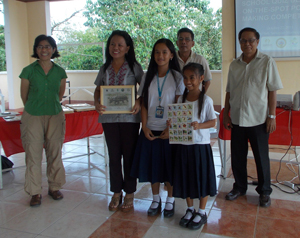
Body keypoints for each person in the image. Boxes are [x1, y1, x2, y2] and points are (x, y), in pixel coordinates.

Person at [223, 27, 283, 207]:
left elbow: (272, 90)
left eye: (250, 40)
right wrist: (226, 114)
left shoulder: (267, 61)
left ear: (257, 41)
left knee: (261, 157)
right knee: (238, 156)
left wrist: (271, 116)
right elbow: (228, 91)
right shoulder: (234, 64)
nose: (247, 44)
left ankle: (264, 191)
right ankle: (239, 187)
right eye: (243, 40)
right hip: (238, 119)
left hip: (258, 119)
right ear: (239, 42)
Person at [131, 38, 185, 217]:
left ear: (171, 55)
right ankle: (155, 199)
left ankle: (170, 200)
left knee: (169, 167)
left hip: (169, 131)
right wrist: (144, 126)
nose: (160, 56)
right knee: (152, 167)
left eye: (164, 52)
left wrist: (171, 129)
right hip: (150, 129)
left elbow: (179, 105)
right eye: (157, 52)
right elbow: (144, 103)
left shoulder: (177, 77)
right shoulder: (148, 76)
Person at [94, 30, 144, 212]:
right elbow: (98, 89)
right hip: (108, 118)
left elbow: (144, 88)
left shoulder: (134, 67)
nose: (116, 48)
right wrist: (96, 102)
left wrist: (138, 100)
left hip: (130, 118)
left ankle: (129, 192)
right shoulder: (104, 68)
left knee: (129, 156)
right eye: (113, 44)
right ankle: (116, 192)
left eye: (120, 45)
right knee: (114, 156)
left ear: (127, 48)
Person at [20, 35, 67, 207]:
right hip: (33, 115)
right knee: (33, 154)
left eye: (48, 46)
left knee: (55, 151)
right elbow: (24, 95)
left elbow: (59, 95)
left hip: (55, 114)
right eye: (40, 47)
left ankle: (54, 187)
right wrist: (35, 108)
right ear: (36, 50)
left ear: (54, 49)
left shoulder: (60, 72)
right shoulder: (28, 70)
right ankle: (34, 192)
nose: (44, 50)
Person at [171, 63, 217, 230]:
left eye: (192, 77)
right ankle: (190, 209)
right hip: (183, 146)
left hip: (200, 147)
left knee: (202, 179)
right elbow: (177, 121)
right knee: (186, 178)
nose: (188, 81)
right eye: (185, 77)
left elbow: (213, 121)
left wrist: (200, 126)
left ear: (201, 78)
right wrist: (172, 122)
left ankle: (202, 211)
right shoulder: (180, 99)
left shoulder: (206, 100)